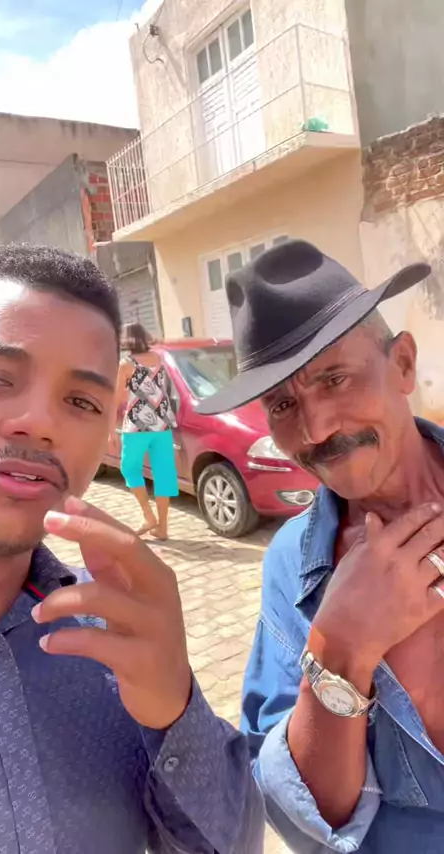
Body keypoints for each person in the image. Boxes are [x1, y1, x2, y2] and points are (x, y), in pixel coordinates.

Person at [0, 243, 264, 854]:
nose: (39, 423)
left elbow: (232, 844)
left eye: (82, 401)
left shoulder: (114, 631)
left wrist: (173, 708)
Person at [197, 237, 444, 853]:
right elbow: (304, 816)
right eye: (283, 404)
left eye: (335, 378)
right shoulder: (293, 564)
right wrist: (341, 650)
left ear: (403, 364)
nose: (315, 429)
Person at [116, 322, 178, 540]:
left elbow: (118, 398)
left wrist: (110, 430)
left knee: (129, 468)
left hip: (137, 425)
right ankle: (163, 528)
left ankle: (149, 517)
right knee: (164, 473)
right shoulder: (158, 358)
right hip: (162, 423)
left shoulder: (126, 364)